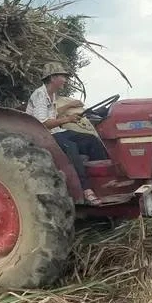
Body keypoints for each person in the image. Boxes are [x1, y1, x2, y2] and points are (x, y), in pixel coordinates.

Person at [26, 62, 107, 206]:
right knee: (70, 147)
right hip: (43, 135)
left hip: (56, 131)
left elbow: (54, 114)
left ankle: (104, 183)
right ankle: (86, 189)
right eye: (63, 76)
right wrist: (68, 119)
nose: (65, 80)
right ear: (52, 78)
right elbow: (42, 123)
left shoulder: (52, 95)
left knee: (90, 140)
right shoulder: (40, 95)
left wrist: (70, 108)